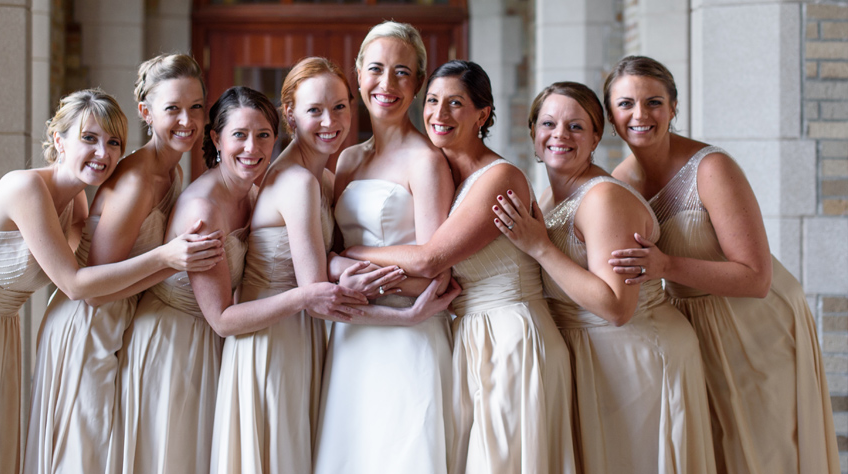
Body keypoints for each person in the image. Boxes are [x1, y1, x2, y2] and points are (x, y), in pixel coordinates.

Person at [0, 89, 202, 474]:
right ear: (59, 140)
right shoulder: (24, 187)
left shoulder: (77, 200)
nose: (103, 153)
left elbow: (99, 276)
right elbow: (75, 284)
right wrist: (165, 257)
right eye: (89, 139)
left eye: (114, 143)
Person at [211, 58, 454, 474]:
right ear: (289, 114)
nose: (331, 120)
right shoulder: (299, 181)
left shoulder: (323, 176)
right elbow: (320, 297)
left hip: (303, 339)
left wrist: (340, 260)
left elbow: (326, 259)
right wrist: (409, 316)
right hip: (275, 342)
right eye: (314, 110)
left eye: (340, 107)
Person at [603, 55, 840, 473]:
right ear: (610, 114)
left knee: (765, 453)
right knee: (716, 453)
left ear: (674, 107)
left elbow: (756, 277)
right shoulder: (618, 184)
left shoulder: (712, 169)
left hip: (754, 322)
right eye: (625, 104)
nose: (640, 114)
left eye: (653, 102)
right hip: (691, 332)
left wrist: (665, 267)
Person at [112, 86, 364, 474]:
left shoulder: (254, 191)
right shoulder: (204, 209)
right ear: (216, 138)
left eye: (264, 135)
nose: (253, 147)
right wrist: (305, 296)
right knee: (171, 456)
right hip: (174, 339)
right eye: (239, 135)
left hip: (216, 342)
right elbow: (222, 318)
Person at [341, 59, 576, 473]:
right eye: (432, 101)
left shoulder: (499, 176)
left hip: (512, 334)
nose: (439, 114)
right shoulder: (447, 172)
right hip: (471, 335)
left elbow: (431, 258)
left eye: (455, 103)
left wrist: (348, 254)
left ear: (482, 114)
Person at [494, 81, 715, 474]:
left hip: (635, 355)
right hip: (590, 354)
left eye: (576, 126)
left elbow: (617, 307)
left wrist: (540, 247)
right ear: (532, 133)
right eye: (548, 124)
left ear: (596, 136)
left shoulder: (603, 199)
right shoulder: (549, 198)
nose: (559, 135)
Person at [24, 55, 223, 473]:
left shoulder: (171, 174)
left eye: (195, 107)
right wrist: (170, 261)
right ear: (146, 113)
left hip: (116, 327)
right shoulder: (136, 182)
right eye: (172, 108)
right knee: (83, 459)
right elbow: (93, 292)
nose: (186, 120)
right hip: (86, 329)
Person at [314, 22, 458, 474]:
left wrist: (350, 266)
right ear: (358, 76)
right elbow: (330, 252)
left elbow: (435, 272)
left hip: (408, 333)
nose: (387, 83)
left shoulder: (428, 162)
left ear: (417, 84)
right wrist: (338, 266)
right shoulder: (349, 158)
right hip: (352, 331)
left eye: (402, 72)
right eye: (376, 69)